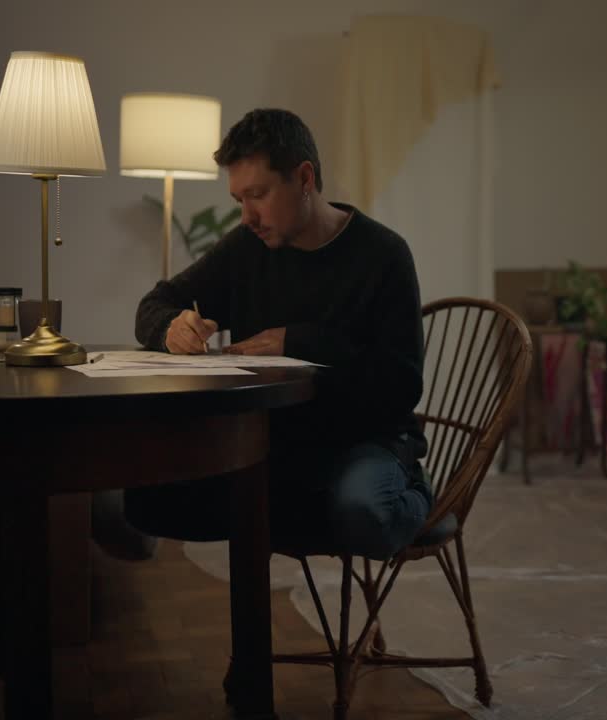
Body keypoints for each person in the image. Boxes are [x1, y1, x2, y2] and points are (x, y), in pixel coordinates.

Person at [125, 108, 432, 561]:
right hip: (275, 440)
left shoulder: (383, 254)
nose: (247, 216)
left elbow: (401, 385)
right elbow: (155, 302)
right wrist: (170, 327)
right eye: (239, 200)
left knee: (364, 511)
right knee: (145, 501)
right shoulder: (246, 248)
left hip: (367, 439)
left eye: (258, 195)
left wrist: (300, 343)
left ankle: (412, 493)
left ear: (304, 179)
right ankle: (292, 513)